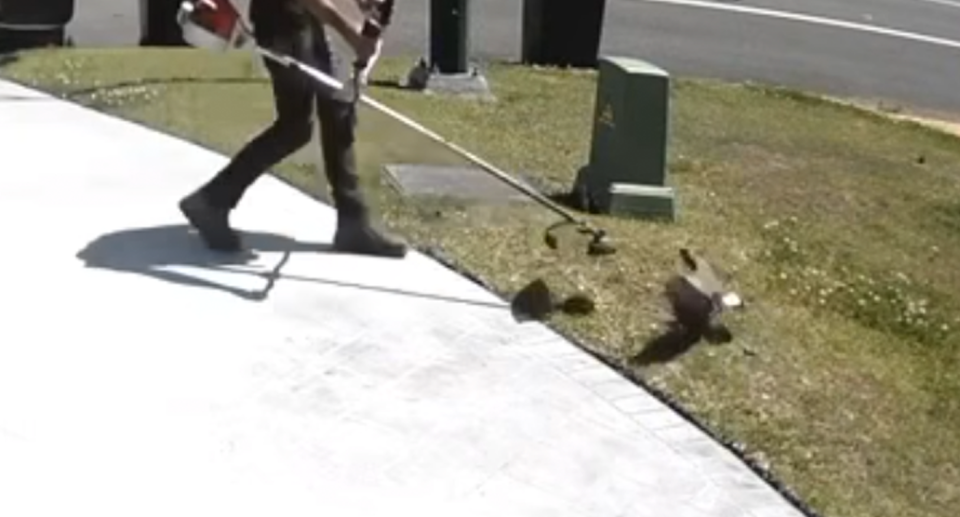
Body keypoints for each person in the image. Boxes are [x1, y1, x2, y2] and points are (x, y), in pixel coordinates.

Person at [179, 0, 408, 258]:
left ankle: (353, 222)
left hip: (299, 18)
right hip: (284, 23)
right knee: (295, 127)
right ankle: (211, 201)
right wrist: (355, 39)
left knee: (337, 109)